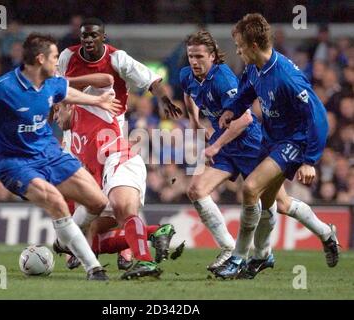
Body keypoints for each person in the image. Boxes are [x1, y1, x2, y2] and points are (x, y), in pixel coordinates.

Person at [0, 33, 122, 281]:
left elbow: (65, 92)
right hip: (16, 163)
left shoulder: (51, 80)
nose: (58, 61)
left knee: (98, 203)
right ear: (40, 58)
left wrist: (98, 100)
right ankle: (93, 268)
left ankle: (65, 239)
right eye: (55, 56)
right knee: (55, 200)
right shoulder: (4, 87)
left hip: (50, 154)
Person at [216, 14, 339, 279]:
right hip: (271, 139)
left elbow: (317, 116)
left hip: (294, 141)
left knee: (249, 189)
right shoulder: (254, 68)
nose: (236, 50)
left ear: (253, 46)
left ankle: (239, 258)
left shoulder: (286, 76)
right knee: (273, 202)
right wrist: (231, 110)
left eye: (239, 45)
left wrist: (309, 160)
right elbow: (246, 93)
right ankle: (325, 234)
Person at [52, 75, 178, 280]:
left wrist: (68, 82)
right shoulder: (72, 142)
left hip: (121, 160)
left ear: (70, 105)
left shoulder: (88, 109)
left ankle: (144, 260)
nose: (55, 117)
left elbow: (106, 78)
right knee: (93, 232)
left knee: (124, 211)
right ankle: (156, 232)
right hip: (106, 177)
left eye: (58, 109)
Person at [180, 30, 262, 271]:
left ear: (213, 56)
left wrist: (216, 145)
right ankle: (229, 249)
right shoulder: (188, 74)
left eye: (199, 57)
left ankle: (322, 232)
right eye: (190, 56)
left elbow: (245, 118)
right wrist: (195, 121)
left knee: (280, 203)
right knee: (196, 190)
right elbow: (188, 93)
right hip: (225, 144)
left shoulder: (224, 79)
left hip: (249, 143)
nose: (194, 62)